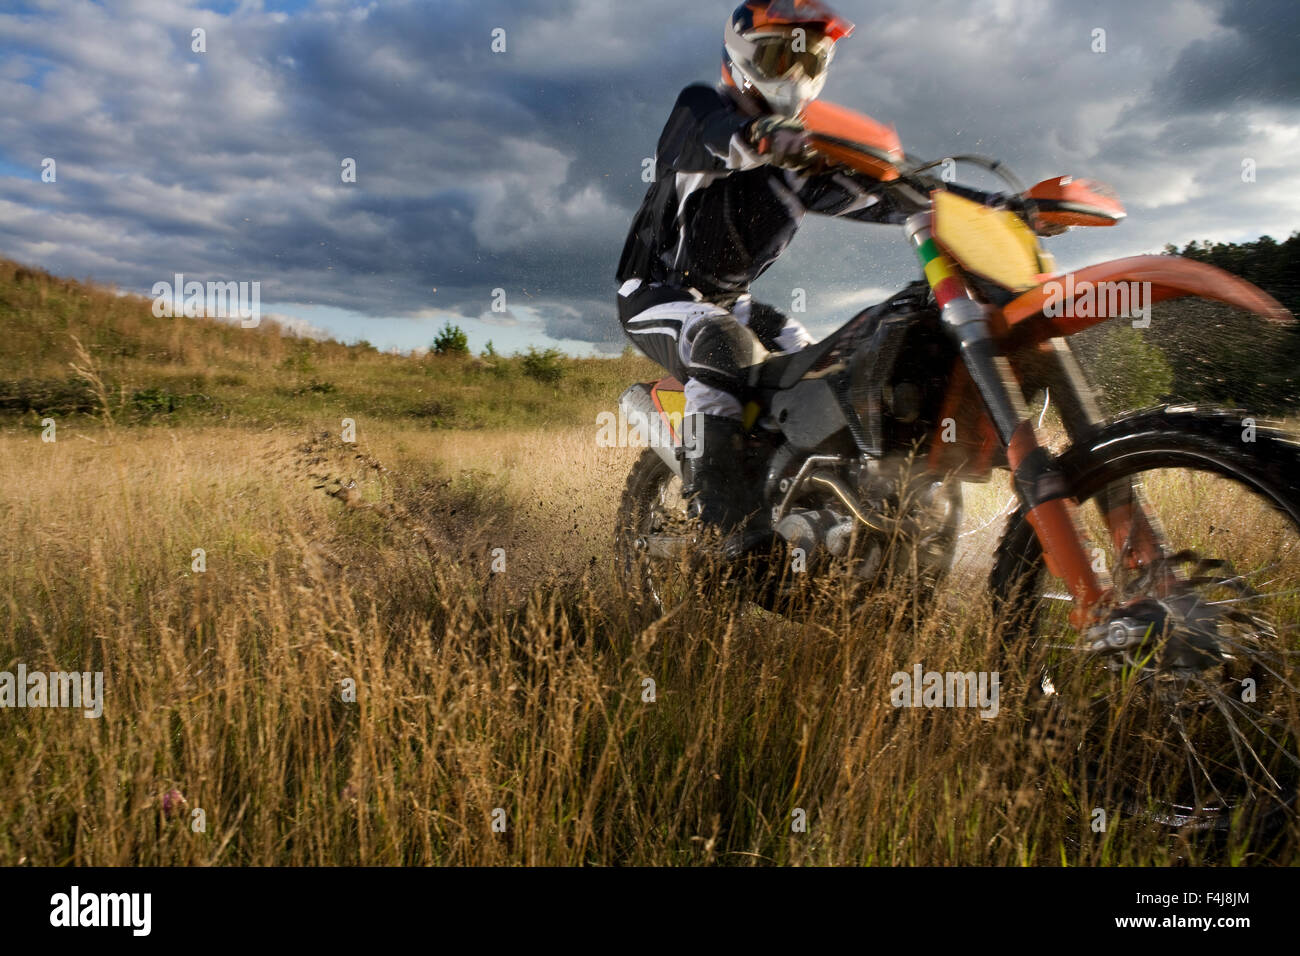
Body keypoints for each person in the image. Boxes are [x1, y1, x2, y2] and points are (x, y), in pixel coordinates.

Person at [616, 0, 908, 554]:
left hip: (734, 303)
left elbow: (889, 197)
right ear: (741, 56)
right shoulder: (701, 110)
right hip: (655, 291)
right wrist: (766, 137)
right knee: (721, 344)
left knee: (822, 363)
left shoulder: (802, 165)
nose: (795, 76)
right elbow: (719, 133)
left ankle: (807, 498)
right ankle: (727, 532)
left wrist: (993, 206)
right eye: (781, 56)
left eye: (810, 61)